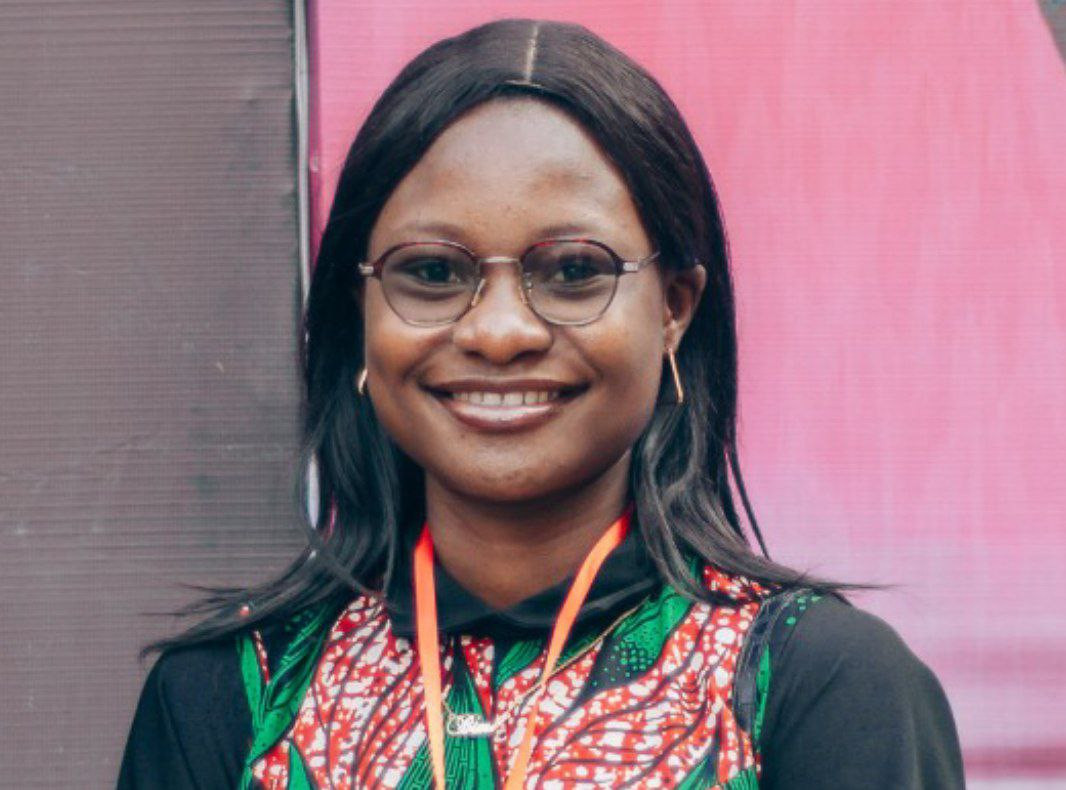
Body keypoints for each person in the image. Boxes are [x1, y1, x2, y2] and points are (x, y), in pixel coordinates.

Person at [119, 18, 963, 789]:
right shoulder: (229, 699)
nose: (498, 333)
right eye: (433, 272)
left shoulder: (821, 691)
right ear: (360, 310)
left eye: (572, 271)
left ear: (674, 308)